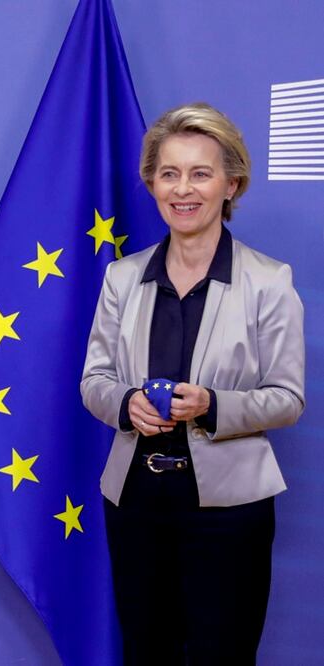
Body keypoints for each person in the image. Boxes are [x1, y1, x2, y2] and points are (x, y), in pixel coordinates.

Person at [81, 103, 305, 664]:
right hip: (133, 499)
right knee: (145, 650)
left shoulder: (269, 281)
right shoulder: (122, 276)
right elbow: (95, 380)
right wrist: (126, 403)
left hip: (232, 508)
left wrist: (213, 405)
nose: (184, 189)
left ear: (232, 184)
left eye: (201, 173)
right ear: (153, 182)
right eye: (170, 173)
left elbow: (288, 398)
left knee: (222, 654)